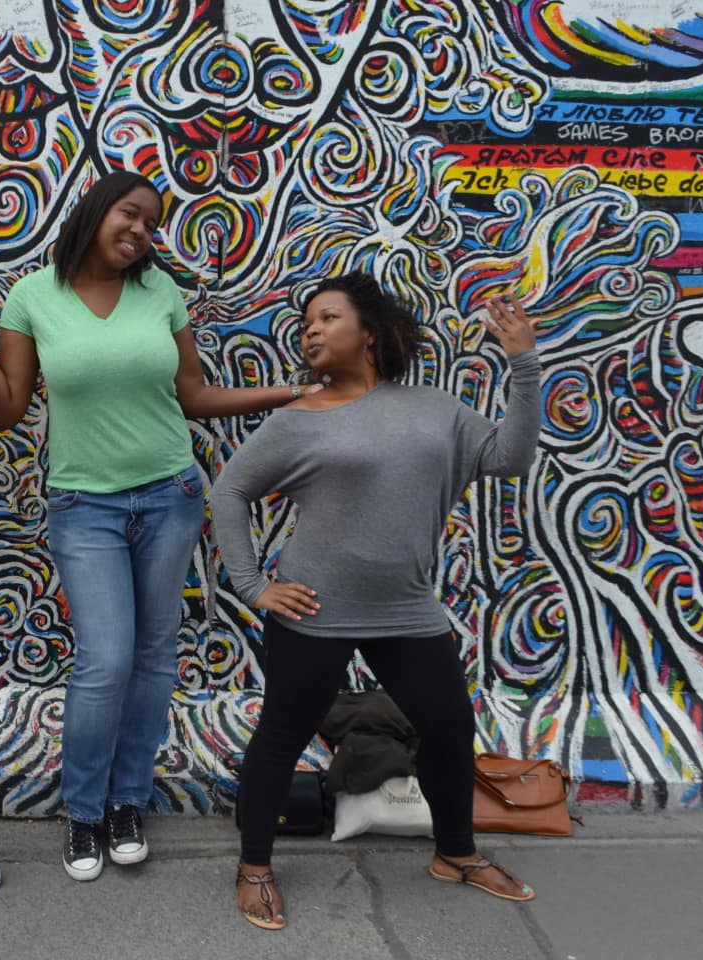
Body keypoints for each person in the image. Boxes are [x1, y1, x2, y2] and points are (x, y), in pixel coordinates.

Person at [0, 170, 310, 882]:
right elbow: (9, 408)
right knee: (105, 659)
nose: (140, 231)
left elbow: (193, 394)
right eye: (131, 214)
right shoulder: (33, 295)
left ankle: (126, 803)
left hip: (171, 495)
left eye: (151, 224)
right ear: (96, 210)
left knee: (154, 657)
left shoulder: (159, 291)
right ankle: (83, 809)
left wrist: (291, 391)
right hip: (84, 505)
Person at [209, 273, 543, 929]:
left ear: (369, 332)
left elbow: (509, 458)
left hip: (406, 609)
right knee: (282, 735)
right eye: (306, 322)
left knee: (449, 728)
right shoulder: (297, 418)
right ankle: (254, 868)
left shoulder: (435, 408)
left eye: (328, 317)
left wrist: (523, 365)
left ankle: (456, 853)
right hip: (314, 609)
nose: (312, 329)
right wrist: (252, 585)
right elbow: (229, 492)